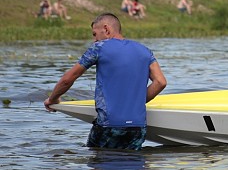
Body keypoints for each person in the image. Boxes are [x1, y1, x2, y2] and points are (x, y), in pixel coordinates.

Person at [44, 13, 167, 150]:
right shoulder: (145, 51)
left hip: (109, 125)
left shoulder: (99, 48)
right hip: (138, 127)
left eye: (95, 34)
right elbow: (160, 82)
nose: (94, 40)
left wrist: (52, 99)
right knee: (133, 167)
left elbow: (68, 79)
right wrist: (135, 101)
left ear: (106, 29)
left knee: (98, 164)